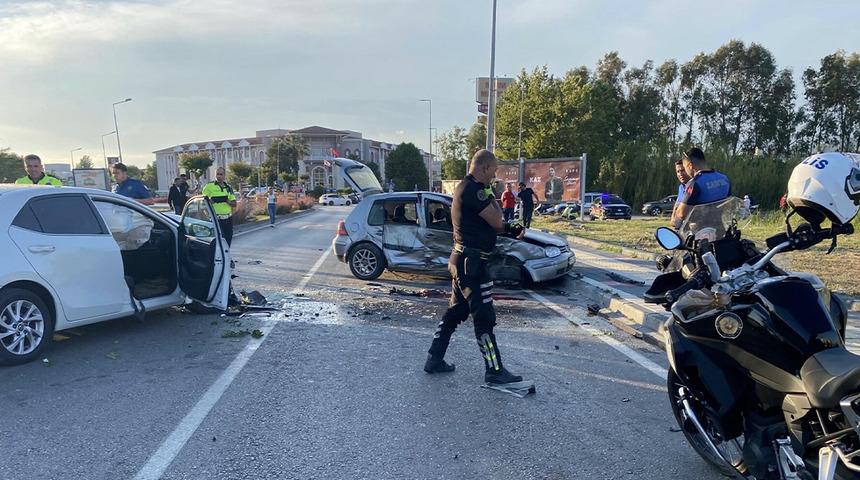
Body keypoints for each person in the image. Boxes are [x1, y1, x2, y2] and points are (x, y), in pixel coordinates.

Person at [423, 149, 525, 385]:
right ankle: (494, 370)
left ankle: (434, 359)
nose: (495, 176)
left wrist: (493, 199)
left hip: (463, 260)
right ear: (485, 168)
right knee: (484, 318)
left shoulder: (465, 187)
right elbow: (498, 223)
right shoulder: (474, 191)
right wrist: (495, 199)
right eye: (494, 170)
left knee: (456, 312)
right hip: (473, 264)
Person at [671, 147, 731, 229]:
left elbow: (681, 214)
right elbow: (728, 203)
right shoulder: (724, 178)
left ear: (690, 165)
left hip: (702, 233)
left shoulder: (695, 183)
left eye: (684, 168)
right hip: (721, 229)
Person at [202, 167, 237, 245]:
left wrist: (227, 201)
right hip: (216, 219)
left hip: (228, 218)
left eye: (221, 174)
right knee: (219, 240)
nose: (219, 176)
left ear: (224, 175)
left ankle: (225, 256)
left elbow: (234, 204)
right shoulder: (209, 186)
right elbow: (202, 202)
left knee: (228, 240)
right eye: (217, 174)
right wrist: (211, 201)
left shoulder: (228, 187)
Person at [670, 159, 692, 223]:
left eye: (683, 170)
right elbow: (677, 204)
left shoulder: (695, 185)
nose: (680, 174)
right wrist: (673, 220)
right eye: (678, 171)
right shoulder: (681, 187)